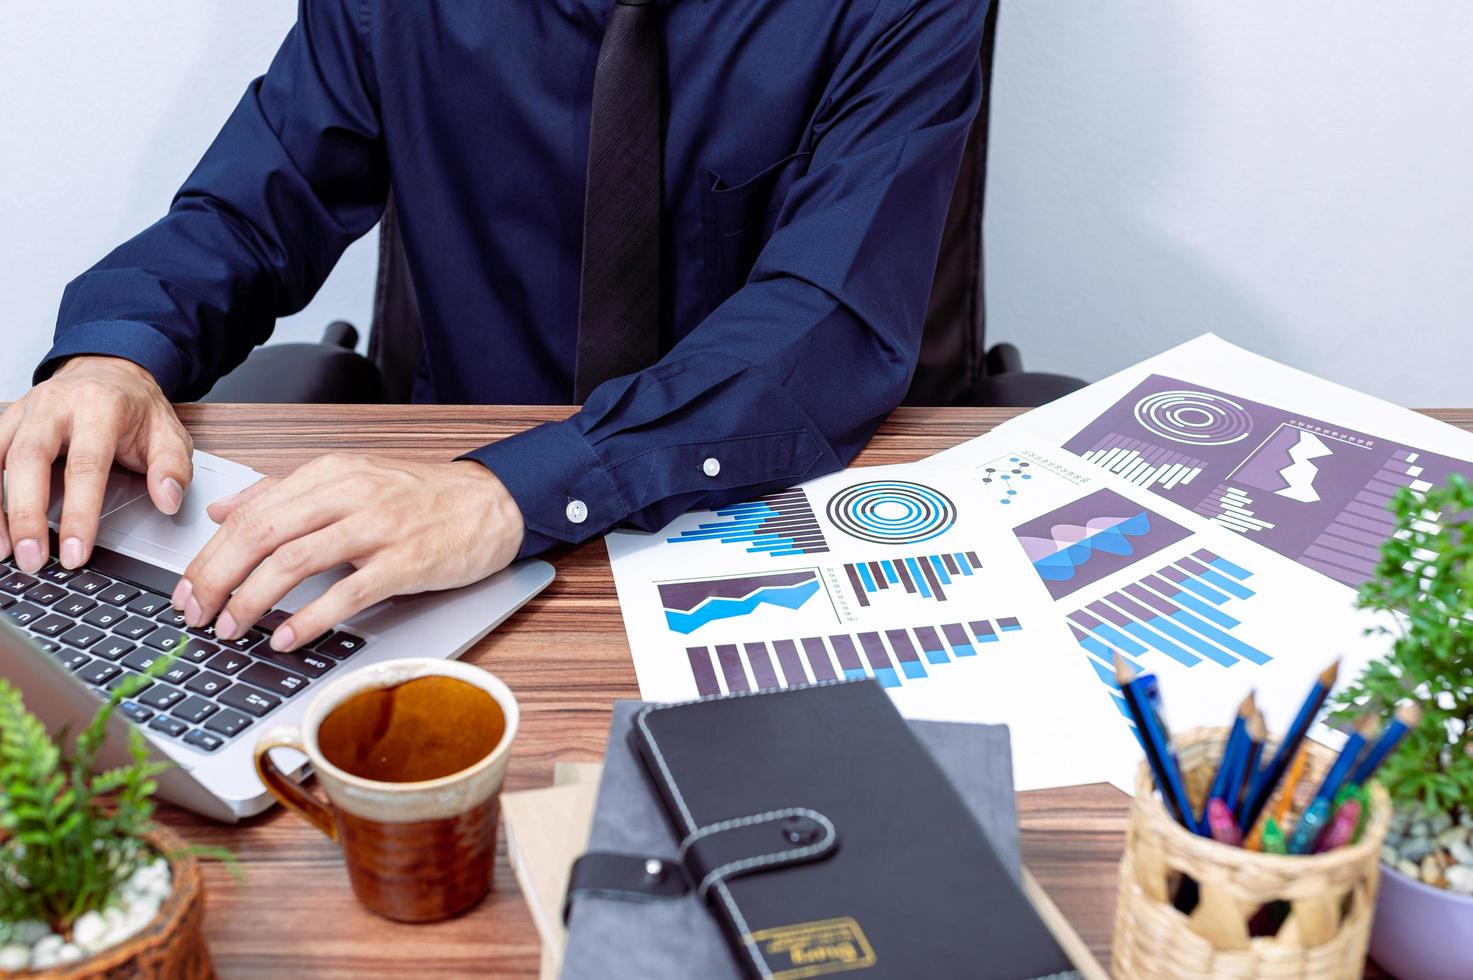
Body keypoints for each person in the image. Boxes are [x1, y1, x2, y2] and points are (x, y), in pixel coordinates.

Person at [0, 0, 984, 655]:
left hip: (780, 532)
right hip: (446, 555)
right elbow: (260, 203)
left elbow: (822, 314)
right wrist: (113, 352)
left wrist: (511, 492)